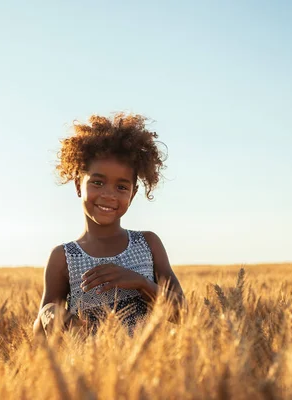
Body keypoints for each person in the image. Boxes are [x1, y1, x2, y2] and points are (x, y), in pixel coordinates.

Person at [33, 113, 185, 338]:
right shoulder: (63, 257)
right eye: (97, 182)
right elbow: (38, 334)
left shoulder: (148, 243)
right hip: (91, 369)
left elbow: (183, 315)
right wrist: (48, 313)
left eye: (121, 187)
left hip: (147, 365)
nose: (108, 195)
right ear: (78, 185)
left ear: (133, 195)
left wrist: (141, 284)